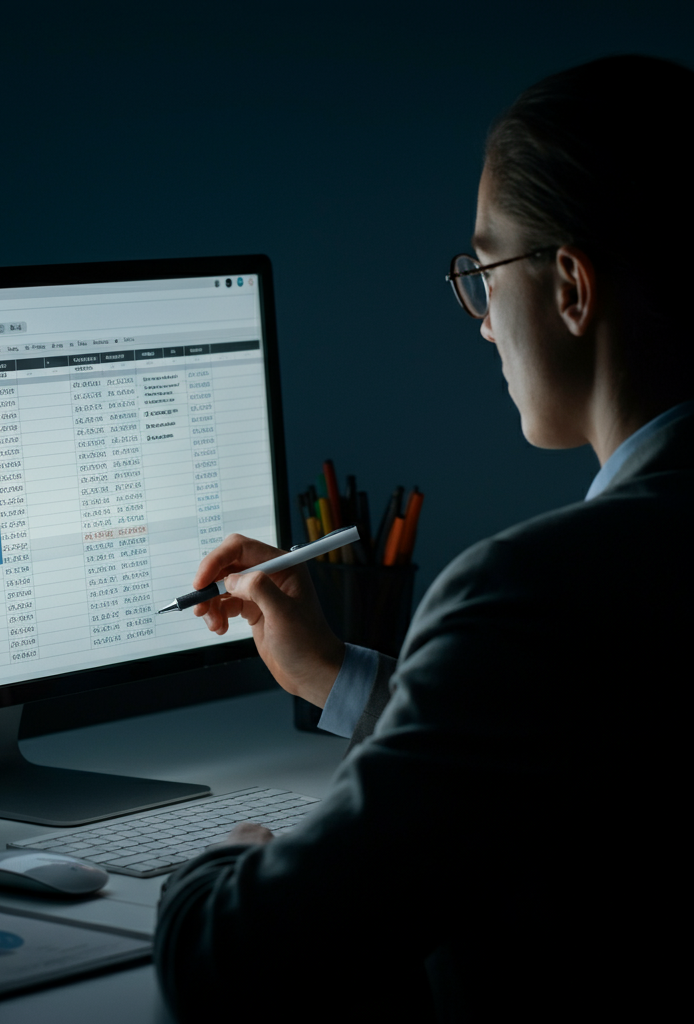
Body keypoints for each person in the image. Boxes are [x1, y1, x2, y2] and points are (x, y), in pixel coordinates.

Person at [154, 55, 693, 1022]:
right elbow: (562, 744)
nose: (482, 326)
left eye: (484, 273)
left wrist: (222, 860)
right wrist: (335, 674)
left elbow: (230, 957)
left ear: (572, 287)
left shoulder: (532, 592)